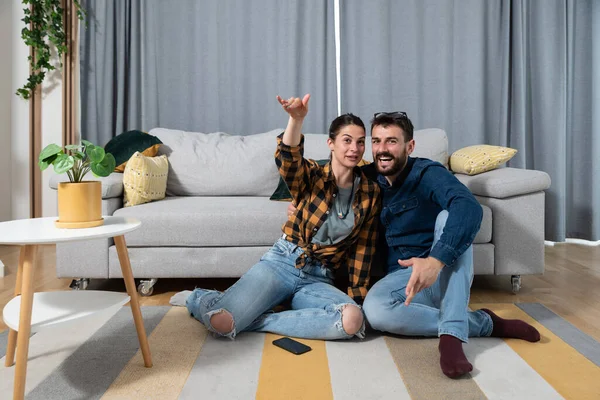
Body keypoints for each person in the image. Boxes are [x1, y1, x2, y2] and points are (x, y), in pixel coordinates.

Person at [173, 94, 381, 340]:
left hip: (319, 278)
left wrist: (357, 299)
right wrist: (296, 119)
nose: (354, 149)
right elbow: (289, 161)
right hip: (283, 262)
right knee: (222, 324)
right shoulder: (313, 174)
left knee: (353, 320)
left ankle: (260, 320)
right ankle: (198, 298)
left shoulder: (370, 192)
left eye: (360, 142)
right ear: (331, 144)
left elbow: (362, 251)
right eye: (347, 141)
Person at [361, 111, 541, 378]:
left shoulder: (427, 173)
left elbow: (468, 207)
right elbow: (322, 176)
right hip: (403, 282)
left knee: (451, 215)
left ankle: (451, 339)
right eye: (376, 141)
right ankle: (483, 323)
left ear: (409, 146)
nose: (382, 150)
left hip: (442, 270)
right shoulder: (365, 177)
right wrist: (299, 203)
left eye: (391, 141)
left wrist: (435, 261)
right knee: (375, 311)